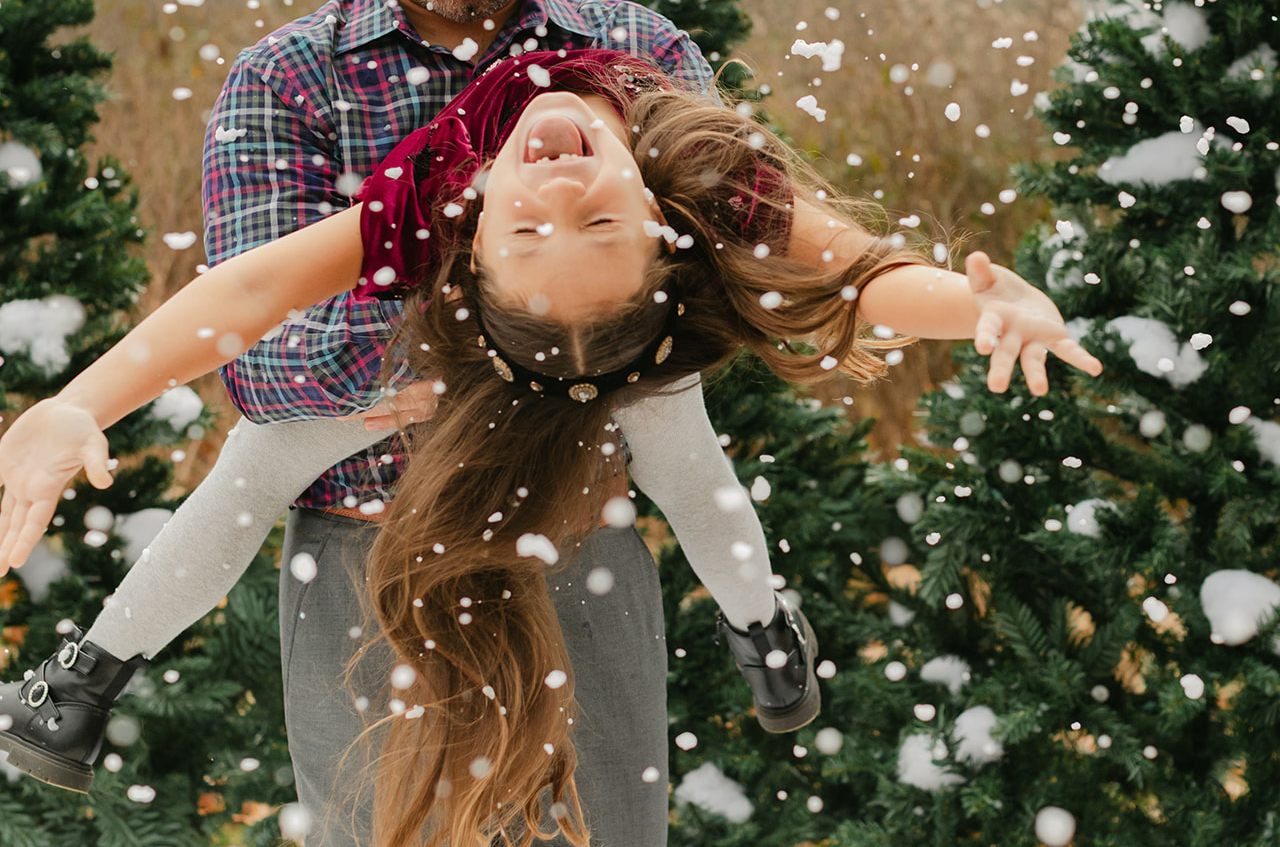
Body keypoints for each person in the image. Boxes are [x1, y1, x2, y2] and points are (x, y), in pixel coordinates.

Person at [0, 0, 799, 847]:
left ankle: (765, 627)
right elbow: (267, 367)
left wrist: (937, 292)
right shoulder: (289, 83)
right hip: (366, 553)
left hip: (584, 532)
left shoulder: (639, 58)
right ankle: (88, 677)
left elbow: (745, 252)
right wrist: (508, 330)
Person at [0, 44, 1100, 847]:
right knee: (268, 456)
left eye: (543, 224)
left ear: (467, 231)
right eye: (568, 222)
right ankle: (88, 677)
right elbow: (246, 290)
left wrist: (978, 309)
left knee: (680, 454)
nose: (560, 190)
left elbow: (851, 278)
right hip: (506, 346)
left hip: (619, 343)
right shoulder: (689, 178)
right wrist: (80, 405)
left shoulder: (447, 192)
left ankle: (765, 624)